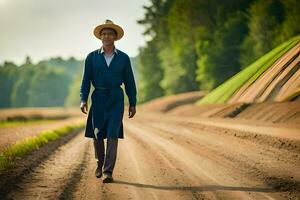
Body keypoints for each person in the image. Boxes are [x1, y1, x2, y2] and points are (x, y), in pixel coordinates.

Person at [80, 19, 137, 183]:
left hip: (116, 99)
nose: (106, 36)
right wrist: (83, 99)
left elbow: (130, 82)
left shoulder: (124, 58)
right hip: (98, 98)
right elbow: (85, 81)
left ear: (115, 37)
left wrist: (132, 102)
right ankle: (100, 163)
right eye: (104, 34)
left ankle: (108, 171)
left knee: (112, 134)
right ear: (100, 37)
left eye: (110, 34)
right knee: (97, 134)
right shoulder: (91, 58)